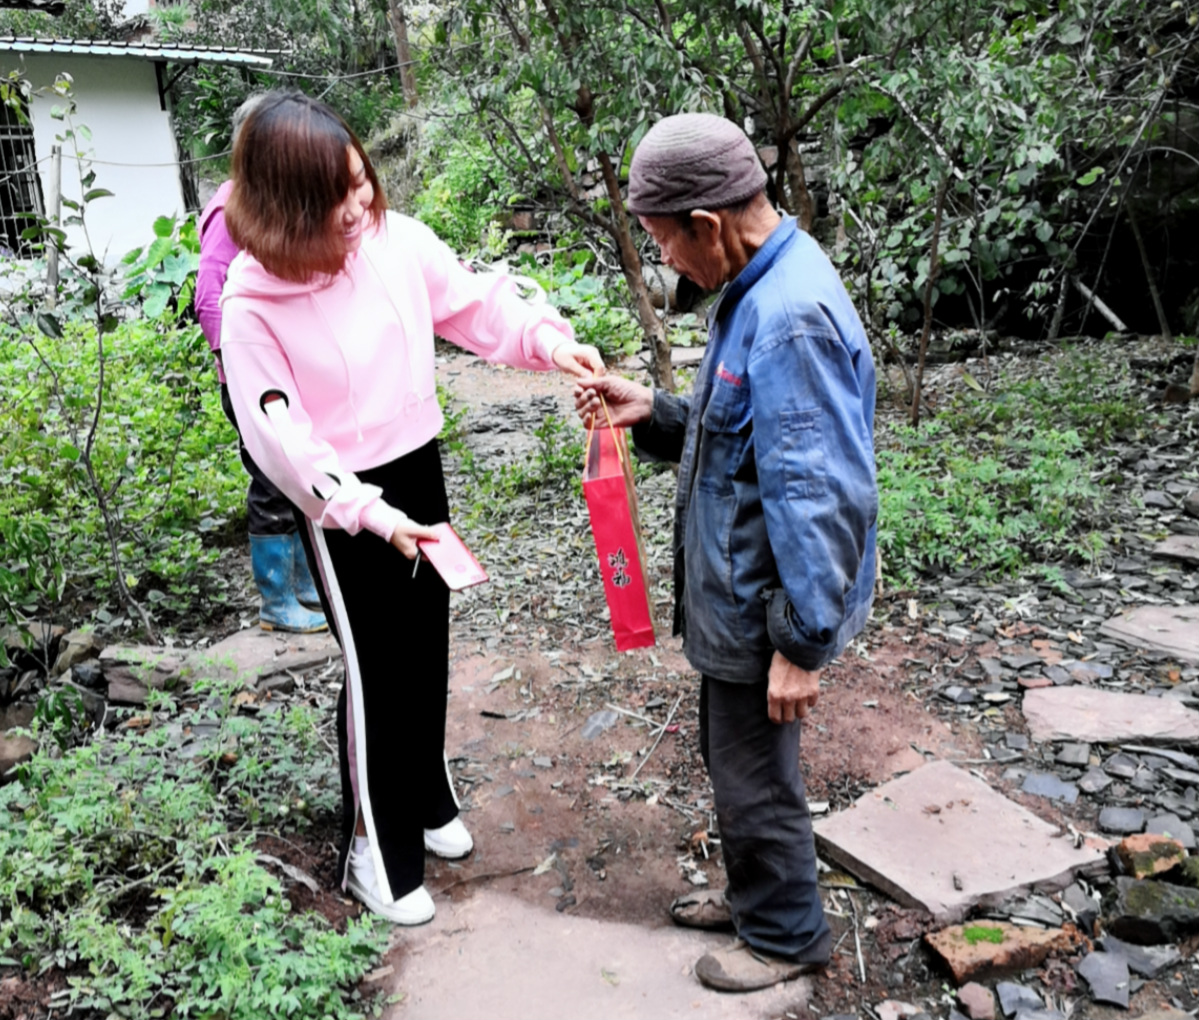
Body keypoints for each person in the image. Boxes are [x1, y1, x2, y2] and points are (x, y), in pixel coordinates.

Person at [219, 90, 604, 925]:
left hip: (416, 464)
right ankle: (376, 851)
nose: (360, 205)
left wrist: (549, 340)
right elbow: (281, 436)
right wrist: (365, 512)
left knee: (427, 640)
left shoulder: (393, 241)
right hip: (344, 503)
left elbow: (472, 302)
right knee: (377, 672)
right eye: (336, 196)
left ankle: (426, 800)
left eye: (362, 180)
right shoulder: (252, 305)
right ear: (287, 208)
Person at [574, 113, 878, 993]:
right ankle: (757, 898)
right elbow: (746, 444)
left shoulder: (788, 318)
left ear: (707, 224)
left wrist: (800, 641)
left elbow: (821, 495)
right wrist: (657, 412)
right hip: (739, 591)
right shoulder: (755, 283)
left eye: (663, 240)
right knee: (732, 762)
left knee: (753, 778)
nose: (665, 258)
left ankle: (785, 938)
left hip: (764, 610)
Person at [195, 95, 328, 634]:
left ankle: (300, 586)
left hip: (280, 371)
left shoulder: (265, 200)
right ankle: (277, 601)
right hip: (251, 376)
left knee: (294, 473)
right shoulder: (232, 208)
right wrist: (238, 367)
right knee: (271, 478)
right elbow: (209, 293)